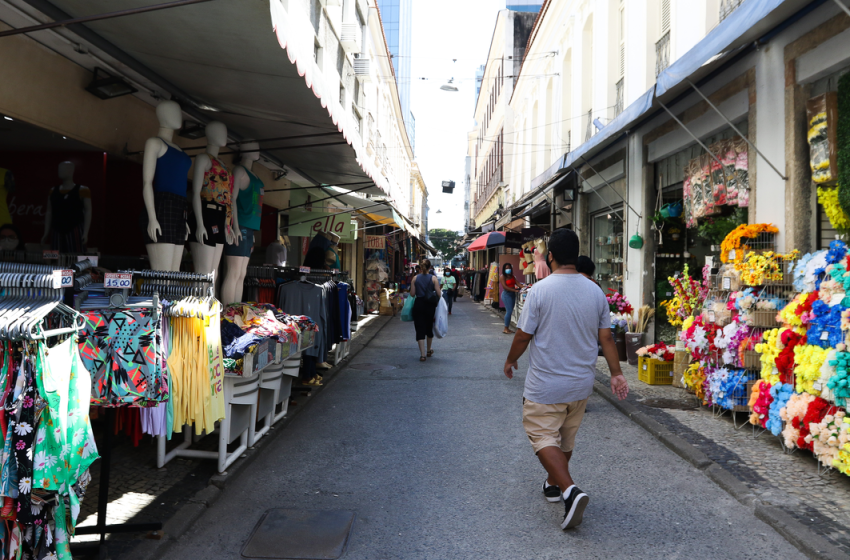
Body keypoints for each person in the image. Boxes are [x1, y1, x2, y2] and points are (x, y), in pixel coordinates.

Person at [503, 228, 629, 531]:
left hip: (546, 385)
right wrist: (616, 373)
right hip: (581, 385)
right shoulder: (595, 291)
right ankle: (552, 483)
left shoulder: (540, 290)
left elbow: (523, 334)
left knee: (543, 435)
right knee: (565, 438)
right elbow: (607, 339)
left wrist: (511, 359)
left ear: (550, 256)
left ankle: (570, 490)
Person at [410, 259, 441, 362]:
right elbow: (439, 294)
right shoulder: (434, 278)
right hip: (429, 306)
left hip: (418, 305)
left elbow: (412, 294)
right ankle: (428, 350)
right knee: (429, 327)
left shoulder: (415, 278)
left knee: (420, 328)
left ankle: (422, 355)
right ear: (429, 267)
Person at [499, 262, 522, 335]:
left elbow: (518, 284)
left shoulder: (512, 276)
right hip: (506, 295)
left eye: (509, 268)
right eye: (506, 268)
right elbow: (504, 286)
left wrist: (526, 287)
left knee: (510, 311)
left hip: (512, 294)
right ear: (504, 269)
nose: (508, 269)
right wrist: (514, 290)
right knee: (508, 311)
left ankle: (507, 328)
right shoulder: (502, 276)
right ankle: (505, 328)